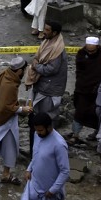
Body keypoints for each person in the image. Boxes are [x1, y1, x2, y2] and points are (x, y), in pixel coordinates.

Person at [16, 113, 70, 200]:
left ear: (49, 127)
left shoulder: (59, 144)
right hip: (35, 182)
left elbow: (65, 171)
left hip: (51, 188)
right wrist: (29, 168)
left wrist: (53, 190)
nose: (38, 133)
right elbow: (36, 155)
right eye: (36, 130)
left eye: (40, 130)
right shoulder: (38, 135)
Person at [25, 21, 68, 158]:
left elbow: (51, 69)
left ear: (55, 33)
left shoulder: (57, 49)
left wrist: (36, 67)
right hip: (41, 87)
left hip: (49, 91)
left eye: (47, 30)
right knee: (34, 120)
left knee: (46, 121)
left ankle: (44, 152)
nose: (44, 32)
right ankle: (35, 151)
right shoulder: (47, 43)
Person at [70, 37, 101, 145]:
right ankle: (75, 135)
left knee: (98, 115)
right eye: (88, 51)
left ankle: (97, 133)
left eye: (92, 51)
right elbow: (80, 71)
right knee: (79, 112)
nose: (90, 53)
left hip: (100, 92)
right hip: (83, 90)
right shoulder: (82, 54)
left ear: (97, 47)